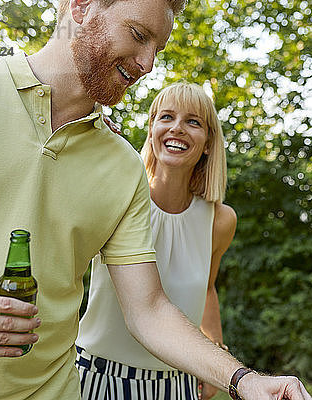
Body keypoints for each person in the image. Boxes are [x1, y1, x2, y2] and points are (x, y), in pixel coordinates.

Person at [0, 0, 312, 399]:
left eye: (158, 48)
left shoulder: (122, 166)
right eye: (138, 35)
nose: (148, 65)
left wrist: (246, 381)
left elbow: (148, 309)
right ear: (81, 7)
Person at [76, 82, 234, 400]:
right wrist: (91, 140)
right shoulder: (116, 196)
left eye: (193, 121)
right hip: (97, 378)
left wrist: (215, 356)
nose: (177, 128)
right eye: (166, 117)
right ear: (152, 129)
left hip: (179, 384)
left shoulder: (220, 220)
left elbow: (207, 288)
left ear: (208, 143)